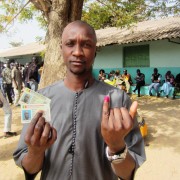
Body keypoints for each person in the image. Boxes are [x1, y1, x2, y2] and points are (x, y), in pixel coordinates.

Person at [13, 20, 146, 180]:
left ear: (95, 51)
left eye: (86, 44)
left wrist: (117, 146)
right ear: (61, 49)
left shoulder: (118, 99)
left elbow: (127, 173)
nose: (77, 52)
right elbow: (29, 168)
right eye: (70, 44)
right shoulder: (39, 99)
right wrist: (35, 152)